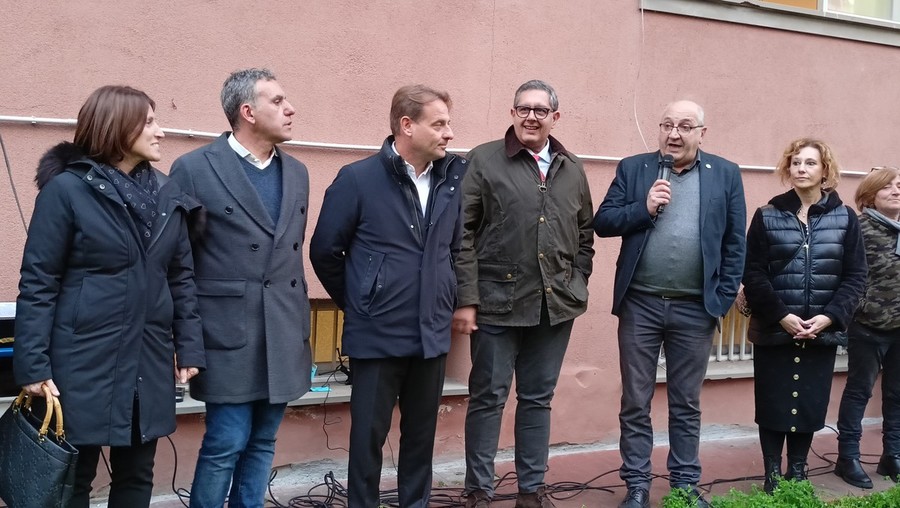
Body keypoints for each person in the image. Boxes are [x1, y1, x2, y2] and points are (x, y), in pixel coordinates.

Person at [14, 85, 206, 508]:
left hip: (148, 356)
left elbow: (181, 278)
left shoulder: (168, 195)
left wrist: (189, 345)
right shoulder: (66, 191)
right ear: (117, 128)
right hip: (80, 359)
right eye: (149, 122)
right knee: (71, 476)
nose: (160, 132)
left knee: (137, 474)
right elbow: (39, 281)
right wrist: (32, 364)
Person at [310, 84, 465, 508]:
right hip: (376, 336)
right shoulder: (357, 179)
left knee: (421, 440)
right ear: (407, 125)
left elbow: (456, 248)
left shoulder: (454, 179)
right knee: (367, 442)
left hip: (431, 334)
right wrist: (362, 301)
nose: (449, 133)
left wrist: (449, 299)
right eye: (439, 124)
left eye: (449, 123)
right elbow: (325, 251)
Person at [169, 68, 312, 508]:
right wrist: (185, 340)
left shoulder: (298, 172)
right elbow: (178, 263)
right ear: (248, 112)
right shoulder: (194, 168)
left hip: (282, 330)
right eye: (277, 101)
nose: (290, 109)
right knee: (225, 442)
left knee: (263, 441)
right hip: (226, 332)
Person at [593, 100, 746, 508]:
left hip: (695, 308)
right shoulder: (634, 168)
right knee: (635, 400)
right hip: (640, 304)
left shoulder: (726, 174)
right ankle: (637, 485)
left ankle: (684, 484)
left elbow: (735, 243)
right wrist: (643, 208)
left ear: (701, 133)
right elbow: (603, 222)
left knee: (686, 402)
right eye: (666, 125)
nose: (673, 134)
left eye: (684, 126)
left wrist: (721, 299)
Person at [454, 80, 594, 508]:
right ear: (512, 113)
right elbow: (462, 234)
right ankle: (478, 491)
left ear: (555, 117)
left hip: (555, 308)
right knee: (488, 399)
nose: (531, 116)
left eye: (540, 110)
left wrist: (577, 279)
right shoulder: (483, 160)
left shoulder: (571, 168)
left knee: (537, 400)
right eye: (523, 108)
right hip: (495, 305)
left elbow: (584, 235)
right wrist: (467, 298)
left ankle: (531, 492)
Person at [742, 138, 866, 494]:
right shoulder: (767, 214)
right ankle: (772, 473)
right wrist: (782, 316)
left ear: (825, 170)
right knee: (773, 403)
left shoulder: (845, 217)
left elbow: (856, 276)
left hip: (820, 331)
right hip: (775, 329)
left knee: (809, 402)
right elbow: (753, 273)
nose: (801, 168)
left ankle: (798, 471)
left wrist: (830, 317)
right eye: (795, 162)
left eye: (810, 163)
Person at [834, 166, 900, 488]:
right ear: (870, 196)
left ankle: (892, 456)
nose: (896, 191)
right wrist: (859, 308)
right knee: (859, 392)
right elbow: (845, 275)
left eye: (899, 185)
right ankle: (848, 458)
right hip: (867, 327)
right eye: (888, 186)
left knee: (897, 394)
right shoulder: (858, 228)